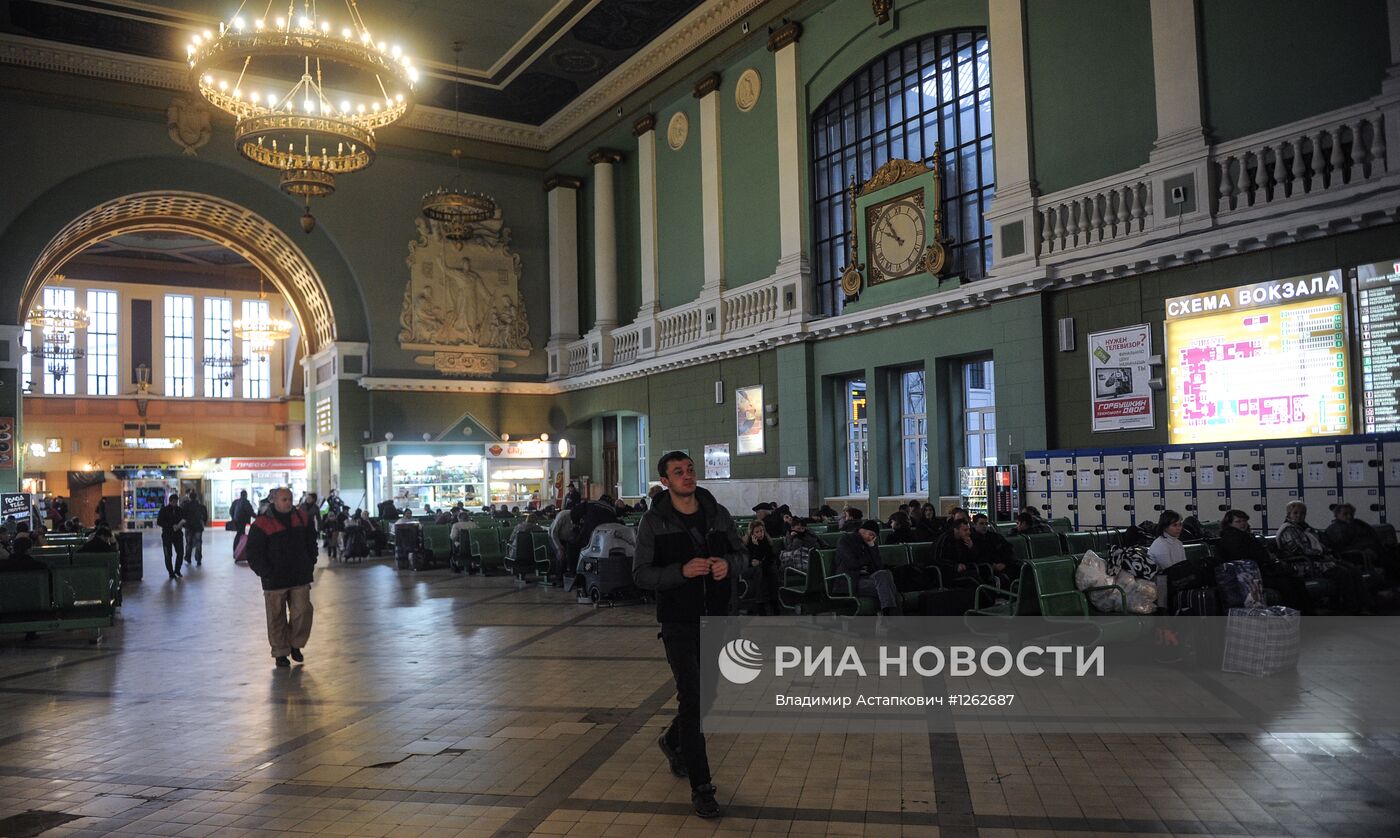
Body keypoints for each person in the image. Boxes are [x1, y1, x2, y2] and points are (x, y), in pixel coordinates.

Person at [633, 452, 742, 819]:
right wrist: (681, 571)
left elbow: (745, 555)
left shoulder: (716, 513)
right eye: (678, 472)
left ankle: (671, 739)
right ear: (665, 481)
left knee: (707, 699)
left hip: (717, 616)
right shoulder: (654, 522)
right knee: (694, 700)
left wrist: (729, 564)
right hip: (679, 621)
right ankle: (702, 787)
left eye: (690, 469)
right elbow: (642, 575)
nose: (687, 476)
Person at [246, 487, 318, 668]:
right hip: (274, 580)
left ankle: (295, 644)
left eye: (290, 499)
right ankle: (280, 653)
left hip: (299, 576)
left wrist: (310, 561)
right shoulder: (261, 524)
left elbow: (311, 541)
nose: (288, 502)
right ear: (274, 501)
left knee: (303, 612)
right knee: (276, 618)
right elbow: (253, 552)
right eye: (284, 499)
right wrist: (265, 572)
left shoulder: (301, 518)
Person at [1216, 509, 1313, 614]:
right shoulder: (1231, 539)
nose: (1243, 524)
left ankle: (1301, 615)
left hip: (1260, 571)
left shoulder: (1244, 536)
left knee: (1294, 581)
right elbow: (1247, 558)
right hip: (1250, 576)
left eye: (1244, 521)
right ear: (1229, 524)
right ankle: (1300, 615)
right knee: (1289, 584)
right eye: (1238, 521)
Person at [1277, 501, 1368, 613]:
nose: (1299, 516)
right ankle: (1351, 609)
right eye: (1295, 513)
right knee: (1343, 573)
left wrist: (1327, 552)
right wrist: (1321, 554)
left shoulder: (1305, 528)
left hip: (1319, 561)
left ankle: (1362, 605)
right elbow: (1300, 550)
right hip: (1303, 564)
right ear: (1289, 514)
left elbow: (1319, 543)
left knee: (1353, 569)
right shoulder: (1288, 529)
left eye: (1302, 513)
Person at [835, 520, 902, 615]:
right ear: (862, 531)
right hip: (851, 580)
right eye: (871, 534)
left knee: (885, 574)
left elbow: (879, 567)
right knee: (890, 589)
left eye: (874, 536)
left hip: (869, 579)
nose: (872, 538)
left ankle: (888, 618)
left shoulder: (869, 543)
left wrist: (872, 547)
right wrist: (868, 556)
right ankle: (891, 620)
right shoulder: (845, 540)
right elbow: (853, 564)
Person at [740, 520, 780, 615]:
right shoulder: (747, 544)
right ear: (752, 533)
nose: (760, 534)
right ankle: (760, 604)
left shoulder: (766, 541)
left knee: (771, 569)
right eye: (757, 532)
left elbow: (770, 557)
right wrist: (756, 546)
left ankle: (774, 602)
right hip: (747, 569)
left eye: (761, 531)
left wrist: (762, 562)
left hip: (762, 567)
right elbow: (751, 561)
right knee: (760, 570)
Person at [934, 517, 981, 587]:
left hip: (961, 571)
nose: (968, 532)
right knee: (972, 578)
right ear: (956, 530)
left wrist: (971, 548)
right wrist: (955, 566)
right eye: (965, 530)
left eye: (969, 529)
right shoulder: (945, 539)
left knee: (976, 575)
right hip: (946, 573)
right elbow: (937, 559)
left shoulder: (964, 540)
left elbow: (974, 559)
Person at [971, 514, 1016, 582]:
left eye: (986, 524)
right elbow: (977, 555)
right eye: (981, 524)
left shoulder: (994, 536)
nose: (984, 526)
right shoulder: (971, 539)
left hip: (1002, 564)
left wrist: (1005, 563)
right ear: (974, 525)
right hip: (987, 567)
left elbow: (1008, 548)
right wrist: (993, 565)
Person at [156, 493, 185, 580]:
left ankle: (177, 570)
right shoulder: (164, 510)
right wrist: (170, 525)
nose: (175, 503)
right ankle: (171, 572)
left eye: (177, 502)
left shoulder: (180, 510)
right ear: (170, 501)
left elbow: (183, 519)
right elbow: (159, 522)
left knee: (180, 553)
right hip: (167, 535)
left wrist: (181, 524)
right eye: (174, 502)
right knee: (168, 555)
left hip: (178, 535)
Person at [181, 490, 209, 566]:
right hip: (198, 527)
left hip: (189, 527)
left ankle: (188, 558)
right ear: (196, 497)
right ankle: (198, 559)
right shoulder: (201, 506)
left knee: (189, 543)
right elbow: (205, 516)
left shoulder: (185, 506)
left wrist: (184, 525)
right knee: (198, 543)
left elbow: (182, 516)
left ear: (189, 497)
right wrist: (203, 523)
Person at [230, 490, 255, 559]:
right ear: (246, 495)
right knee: (240, 535)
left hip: (237, 520)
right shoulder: (246, 502)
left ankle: (236, 550)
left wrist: (233, 518)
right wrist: (257, 517)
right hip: (242, 521)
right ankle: (238, 550)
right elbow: (250, 511)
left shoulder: (236, 502)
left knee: (239, 534)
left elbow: (231, 510)